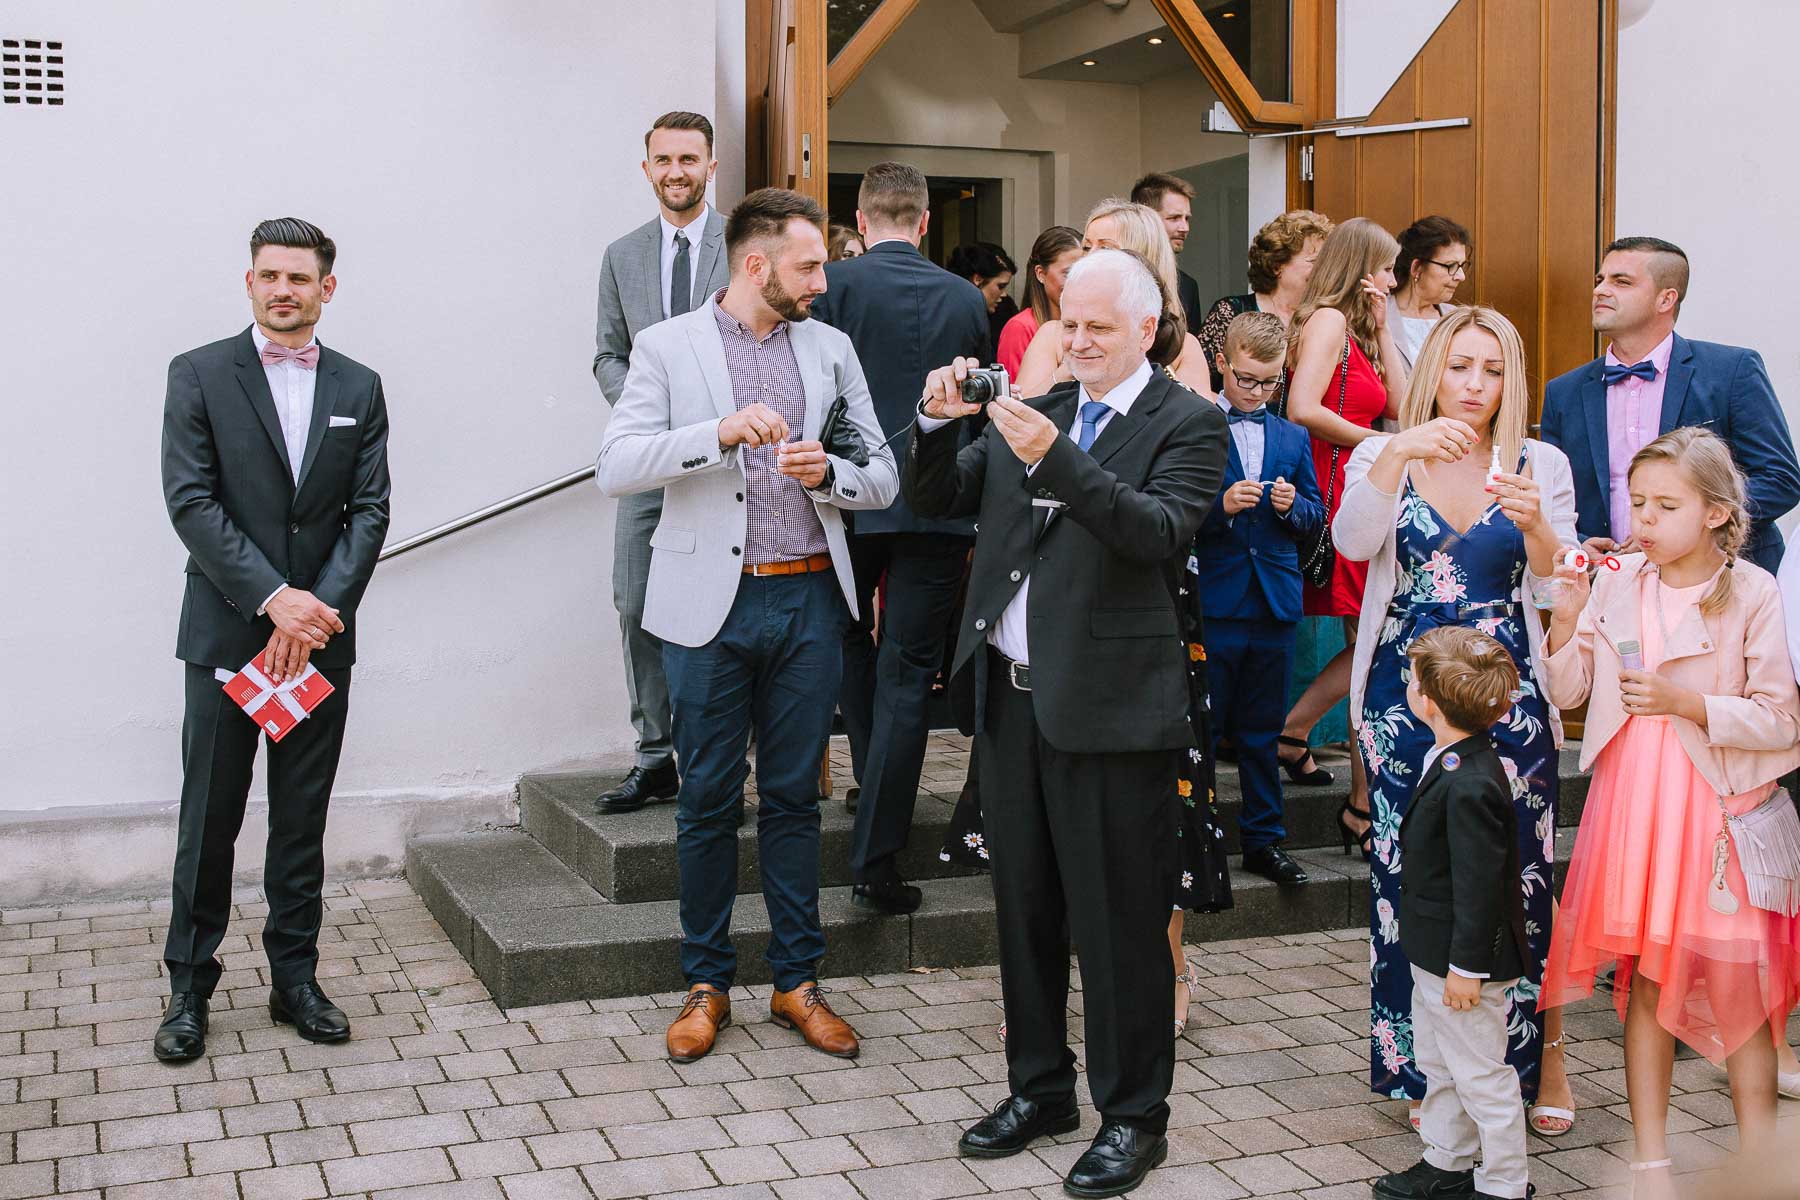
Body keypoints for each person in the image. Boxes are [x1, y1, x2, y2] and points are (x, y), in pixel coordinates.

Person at [909, 249, 1227, 1198]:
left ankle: (1135, 1117)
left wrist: (1065, 462)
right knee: (1027, 908)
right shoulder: (1033, 415)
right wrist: (933, 421)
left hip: (1115, 708)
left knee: (1120, 921)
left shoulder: (1191, 423)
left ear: (1145, 326)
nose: (1077, 339)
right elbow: (936, 497)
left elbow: (1155, 532)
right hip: (1011, 698)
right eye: (1067, 322)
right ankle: (1040, 1090)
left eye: (1097, 325)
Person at [595, 188, 899, 1063]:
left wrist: (829, 469)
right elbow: (614, 464)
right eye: (810, 265)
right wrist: (716, 432)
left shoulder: (830, 347)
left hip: (808, 600)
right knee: (706, 802)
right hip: (707, 609)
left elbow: (881, 474)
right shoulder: (666, 346)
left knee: (797, 798)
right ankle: (706, 982)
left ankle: (797, 982)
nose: (824, 280)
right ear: (757, 264)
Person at [154, 218, 392, 1062]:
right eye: (269, 276)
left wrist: (315, 611)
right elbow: (192, 502)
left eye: (299, 277)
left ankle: (295, 979)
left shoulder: (359, 386)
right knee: (208, 818)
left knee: (300, 820)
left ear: (328, 288)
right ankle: (188, 987)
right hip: (229, 632)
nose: (283, 289)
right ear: (248, 282)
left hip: (319, 642)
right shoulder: (199, 373)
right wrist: (274, 600)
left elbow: (369, 510)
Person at [1540, 428, 1800, 1200]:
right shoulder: (1621, 581)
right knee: (1647, 981)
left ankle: (1761, 1159)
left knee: (1740, 989)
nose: (1643, 519)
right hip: (1635, 811)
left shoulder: (1752, 591)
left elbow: (1782, 721)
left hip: (1713, 817)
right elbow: (1568, 691)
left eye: (1665, 505)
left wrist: (1691, 704)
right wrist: (1567, 615)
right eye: (1637, 502)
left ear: (1718, 513)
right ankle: (1649, 1161)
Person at [1331, 306, 1576, 1122]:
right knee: (1410, 882)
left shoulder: (1540, 460)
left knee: (1523, 879)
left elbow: (1554, 589)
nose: (1475, 386)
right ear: (1433, 367)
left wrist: (1540, 526)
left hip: (1510, 701)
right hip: (1410, 702)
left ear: (1513, 379)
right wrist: (1396, 452)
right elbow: (1354, 544)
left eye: (1493, 369)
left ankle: (1537, 1068)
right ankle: (1426, 1073)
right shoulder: (1382, 451)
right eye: (1460, 366)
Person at [809, 161, 992, 914]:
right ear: (922, 221)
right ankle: (877, 859)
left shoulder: (836, 289)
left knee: (855, 643)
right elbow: (973, 408)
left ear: (861, 216)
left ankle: (867, 782)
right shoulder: (964, 298)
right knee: (911, 671)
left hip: (854, 499)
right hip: (939, 503)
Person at [591, 111, 731, 815]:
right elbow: (607, 353)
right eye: (664, 160)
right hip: (649, 460)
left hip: (730, 461)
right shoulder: (622, 255)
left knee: (730, 608)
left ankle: (723, 761)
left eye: (689, 159)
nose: (676, 171)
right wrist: (649, 416)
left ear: (712, 165)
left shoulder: (746, 246)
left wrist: (707, 425)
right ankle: (654, 759)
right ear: (646, 168)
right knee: (635, 601)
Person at [1372, 626, 1532, 1200]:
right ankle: (1448, 1159)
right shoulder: (1454, 758)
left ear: (1429, 702)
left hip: (1465, 962)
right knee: (1438, 1060)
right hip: (1433, 950)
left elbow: (1480, 884)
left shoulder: (1469, 782)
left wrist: (1468, 967)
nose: (1409, 688)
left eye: (1413, 681)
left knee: (1481, 1073)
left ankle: (1505, 1182)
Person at [1540, 236, 1800, 573]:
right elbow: (1556, 496)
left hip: (1724, 580)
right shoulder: (1564, 392)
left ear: (1666, 299)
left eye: (1621, 281)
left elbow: (1779, 479)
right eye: (1600, 280)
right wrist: (1578, 541)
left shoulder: (1732, 371)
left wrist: (1691, 526)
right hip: (1610, 584)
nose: (1601, 290)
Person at [1277, 217, 1407, 833]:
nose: (1392, 279)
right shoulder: (1327, 321)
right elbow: (1302, 409)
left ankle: (1343, 783)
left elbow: (1403, 410)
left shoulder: (1360, 330)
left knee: (1370, 640)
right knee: (1370, 642)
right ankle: (1346, 788)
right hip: (1333, 492)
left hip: (1359, 488)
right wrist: (1378, 448)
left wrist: (1385, 328)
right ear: (1361, 269)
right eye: (1385, 268)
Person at [1191, 312, 1323, 888]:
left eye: (1269, 383)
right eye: (1246, 379)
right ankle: (1198, 836)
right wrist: (1221, 506)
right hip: (1216, 597)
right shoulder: (1194, 426)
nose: (1257, 392)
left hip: (1273, 600)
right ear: (1222, 363)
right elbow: (1170, 510)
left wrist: (1292, 505)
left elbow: (1317, 516)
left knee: (1264, 729)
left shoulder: (1293, 437)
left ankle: (1264, 841)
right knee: (1204, 724)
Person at [1015, 199, 1213, 397]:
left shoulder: (1182, 347)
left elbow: (1199, 421)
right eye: (1086, 247)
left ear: (1141, 256)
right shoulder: (1055, 335)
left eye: (1105, 249)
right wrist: (1070, 369)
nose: (1088, 258)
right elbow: (1019, 414)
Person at [1198, 210, 1333, 393]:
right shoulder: (1230, 311)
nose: (1324, 270)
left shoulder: (1323, 320)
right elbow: (1198, 385)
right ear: (1277, 265)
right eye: (1314, 261)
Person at [995, 225, 1082, 379]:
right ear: (1041, 274)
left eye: (1083, 271)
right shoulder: (1021, 327)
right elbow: (1015, 396)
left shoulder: (1085, 324)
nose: (1078, 281)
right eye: (1068, 273)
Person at [1388, 216, 1471, 369]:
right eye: (1451, 265)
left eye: (1461, 266)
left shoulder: (1459, 320)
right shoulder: (1376, 315)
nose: (1461, 276)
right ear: (1417, 268)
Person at [1130, 172, 1201, 334]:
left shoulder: (1188, 286)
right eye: (1174, 218)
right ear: (1145, 218)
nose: (1185, 228)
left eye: (1186, 219)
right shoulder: (1116, 274)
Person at [945, 242, 1015, 317]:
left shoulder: (1005, 309)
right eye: (1001, 286)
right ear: (978, 279)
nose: (1004, 294)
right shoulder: (951, 315)